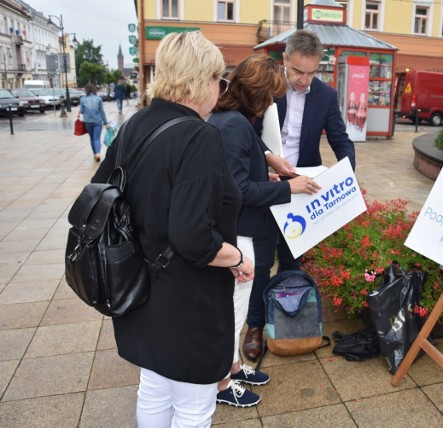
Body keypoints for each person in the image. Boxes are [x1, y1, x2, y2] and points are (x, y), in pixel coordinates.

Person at [91, 31, 254, 427]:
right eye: (220, 79)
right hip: (187, 297)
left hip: (138, 285)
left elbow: (101, 194)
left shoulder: (135, 124)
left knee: (155, 386)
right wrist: (236, 257)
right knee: (194, 403)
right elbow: (193, 238)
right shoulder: (199, 136)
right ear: (203, 79)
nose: (221, 88)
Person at [208, 54, 320, 407]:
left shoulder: (233, 120)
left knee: (236, 307)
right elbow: (238, 191)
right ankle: (222, 385)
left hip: (241, 229)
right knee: (234, 310)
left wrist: (266, 170)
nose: (272, 103)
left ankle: (234, 366)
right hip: (239, 232)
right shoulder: (235, 126)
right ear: (256, 94)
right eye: (270, 96)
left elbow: (238, 177)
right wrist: (291, 187)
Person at [243, 29, 356, 361]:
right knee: (261, 261)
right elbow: (247, 131)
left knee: (293, 261)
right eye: (297, 72)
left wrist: (348, 173)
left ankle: (288, 318)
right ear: (284, 62)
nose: (305, 80)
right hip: (267, 184)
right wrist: (265, 160)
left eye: (312, 72)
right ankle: (255, 326)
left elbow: (340, 138)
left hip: (304, 189)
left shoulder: (325, 94)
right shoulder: (266, 87)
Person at [79, 83, 109, 162]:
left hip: (88, 122)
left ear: (86, 90)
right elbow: (102, 112)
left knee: (92, 138)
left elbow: (81, 111)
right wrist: (106, 122)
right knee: (97, 138)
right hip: (97, 121)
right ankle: (98, 153)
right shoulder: (98, 99)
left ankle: (95, 153)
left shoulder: (83, 99)